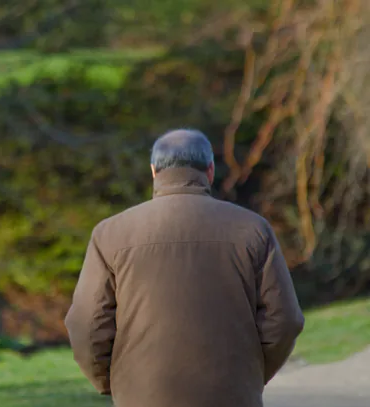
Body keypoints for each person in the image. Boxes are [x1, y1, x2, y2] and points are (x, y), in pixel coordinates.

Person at [64, 129, 305, 407]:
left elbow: (86, 324)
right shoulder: (253, 230)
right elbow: (285, 319)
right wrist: (250, 375)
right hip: (232, 394)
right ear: (210, 171)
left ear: (154, 171)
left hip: (141, 395)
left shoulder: (110, 233)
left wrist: (111, 381)